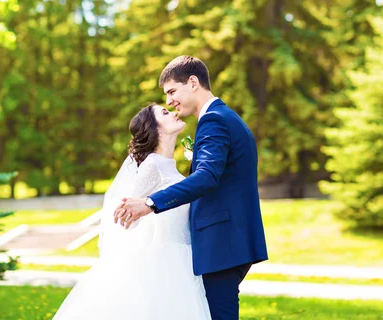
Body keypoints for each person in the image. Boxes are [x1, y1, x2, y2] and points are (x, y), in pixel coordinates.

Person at [114, 55, 268, 320]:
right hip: (228, 240)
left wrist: (150, 203)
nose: (169, 101)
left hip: (222, 242)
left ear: (193, 82)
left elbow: (207, 176)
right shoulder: (225, 117)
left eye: (172, 91)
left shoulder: (214, 120)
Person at [53, 104, 211, 320]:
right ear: (155, 129)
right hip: (165, 262)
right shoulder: (152, 166)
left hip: (185, 257)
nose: (174, 112)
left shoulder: (169, 165)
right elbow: (126, 217)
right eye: (165, 113)